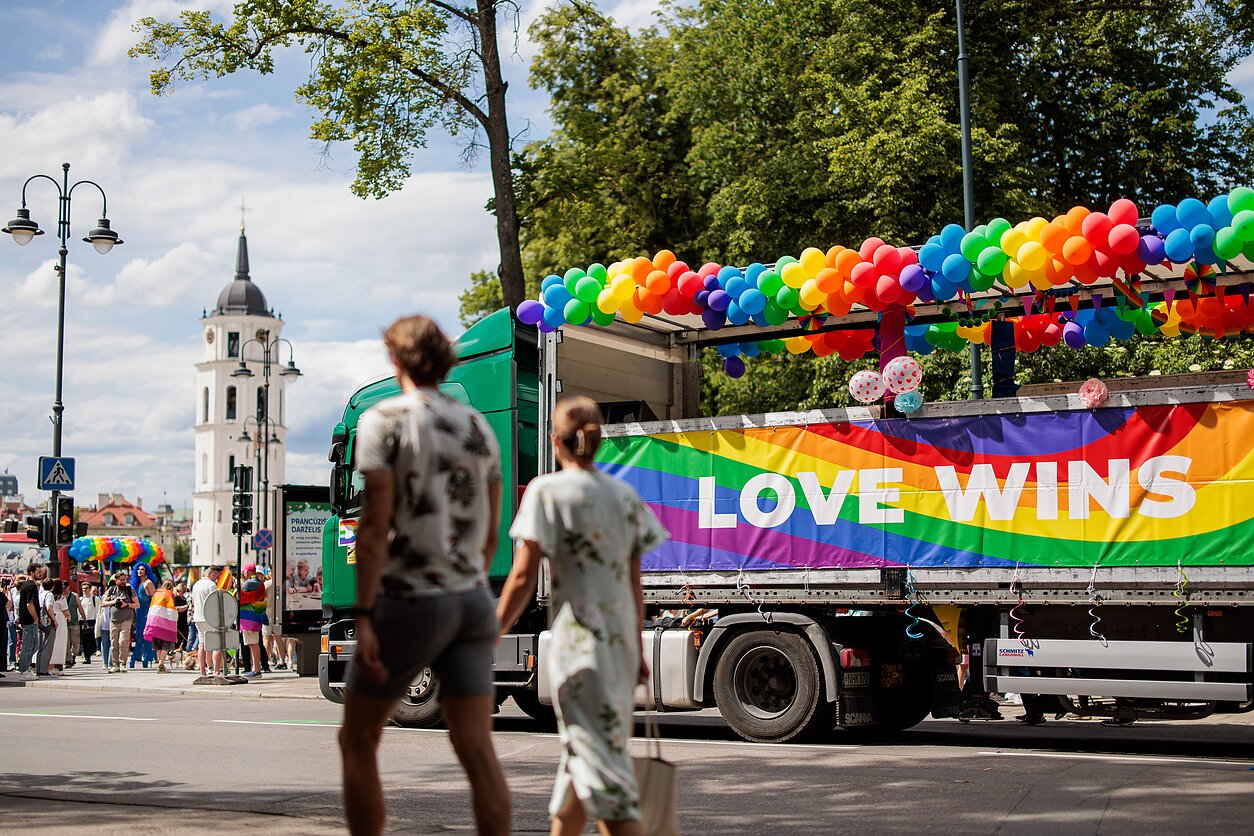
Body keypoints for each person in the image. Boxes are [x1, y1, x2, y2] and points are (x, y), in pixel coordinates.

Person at [338, 314, 510, 836]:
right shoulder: (478, 426)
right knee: (476, 747)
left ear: (395, 360)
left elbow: (372, 528)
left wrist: (364, 614)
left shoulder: (385, 420)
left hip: (411, 598)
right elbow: (489, 530)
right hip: (472, 599)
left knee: (359, 738)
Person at [498, 396, 668, 836]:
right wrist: (638, 649)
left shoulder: (546, 491)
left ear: (556, 442)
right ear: (597, 439)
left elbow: (521, 576)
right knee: (584, 759)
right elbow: (635, 583)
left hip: (577, 650)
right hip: (618, 649)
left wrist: (491, 632)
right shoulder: (624, 495)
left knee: (603, 776)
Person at [191, 565, 226, 681]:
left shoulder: (196, 584)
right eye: (216, 576)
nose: (217, 579)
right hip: (210, 617)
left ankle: (203, 671)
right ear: (212, 574)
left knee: (202, 644)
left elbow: (193, 601)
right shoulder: (212, 585)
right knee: (217, 644)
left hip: (198, 617)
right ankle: (216, 670)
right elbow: (215, 601)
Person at [101, 571, 137, 674]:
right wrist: (114, 602)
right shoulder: (111, 590)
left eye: (124, 580)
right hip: (114, 620)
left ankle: (123, 663)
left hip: (126, 619)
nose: (123, 582)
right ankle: (115, 664)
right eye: (120, 580)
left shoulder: (129, 590)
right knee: (114, 643)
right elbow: (103, 603)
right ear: (115, 581)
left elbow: (137, 604)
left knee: (123, 641)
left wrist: (126, 604)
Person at [16, 566, 44, 680]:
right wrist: (36, 618)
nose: (40, 574)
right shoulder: (31, 586)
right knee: (28, 645)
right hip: (29, 620)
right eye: (38, 572)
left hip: (29, 620)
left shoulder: (27, 585)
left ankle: (26, 666)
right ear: (31, 573)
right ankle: (23, 670)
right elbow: (29, 604)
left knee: (34, 645)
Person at [239, 563, 267, 678]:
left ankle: (256, 670)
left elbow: (240, 597)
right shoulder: (260, 583)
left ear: (247, 572)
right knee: (254, 643)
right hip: (257, 617)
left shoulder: (248, 584)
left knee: (253, 644)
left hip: (249, 618)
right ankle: (256, 668)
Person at [261, 566, 289, 671]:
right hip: (278, 613)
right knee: (278, 637)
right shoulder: (281, 584)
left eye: (268, 571)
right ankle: (282, 660)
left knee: (266, 637)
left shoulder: (266, 584)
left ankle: (267, 659)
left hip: (267, 612)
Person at [130, 563, 157, 668]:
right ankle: (136, 658)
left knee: (146, 637)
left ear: (146, 571)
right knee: (138, 637)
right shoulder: (136, 584)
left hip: (147, 613)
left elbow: (154, 598)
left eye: (142, 569)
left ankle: (146, 659)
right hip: (138, 613)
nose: (140, 571)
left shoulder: (148, 583)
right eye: (138, 569)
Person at [45, 580, 69, 677]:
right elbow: (66, 612)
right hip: (58, 618)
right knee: (58, 643)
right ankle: (52, 666)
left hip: (48, 619)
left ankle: (47, 665)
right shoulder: (61, 597)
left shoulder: (45, 595)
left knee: (49, 643)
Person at [36, 577, 58, 677]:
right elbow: (49, 607)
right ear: (52, 587)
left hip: (40, 622)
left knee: (40, 646)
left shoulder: (40, 594)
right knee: (48, 646)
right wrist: (54, 620)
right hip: (48, 622)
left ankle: (39, 668)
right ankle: (44, 669)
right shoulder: (49, 595)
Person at [79, 583, 100, 665]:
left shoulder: (95, 599)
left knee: (91, 638)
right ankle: (87, 657)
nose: (84, 590)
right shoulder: (81, 599)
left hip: (92, 620)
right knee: (84, 639)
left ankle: (92, 652)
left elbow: (98, 610)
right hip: (83, 621)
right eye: (83, 588)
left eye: (86, 588)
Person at [64, 582, 81, 667]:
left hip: (74, 622)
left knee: (75, 642)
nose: (64, 589)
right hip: (65, 623)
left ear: (68, 587)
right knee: (66, 643)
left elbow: (80, 608)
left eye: (65, 587)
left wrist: (84, 619)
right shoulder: (60, 596)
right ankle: (68, 660)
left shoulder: (75, 596)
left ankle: (73, 655)